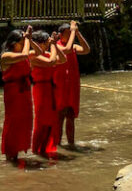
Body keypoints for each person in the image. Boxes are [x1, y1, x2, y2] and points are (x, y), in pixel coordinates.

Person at [0, 27, 34, 165]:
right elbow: (26, 55)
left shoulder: (21, 54)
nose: (23, 45)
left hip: (24, 91)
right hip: (13, 92)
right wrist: (27, 39)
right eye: (21, 42)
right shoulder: (6, 56)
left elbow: (31, 54)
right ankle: (10, 155)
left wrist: (29, 39)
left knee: (25, 122)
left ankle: (16, 155)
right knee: (13, 122)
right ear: (14, 43)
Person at [53, 20, 90, 149]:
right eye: (68, 33)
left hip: (72, 85)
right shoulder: (56, 46)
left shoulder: (73, 46)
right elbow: (67, 50)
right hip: (60, 85)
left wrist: (78, 33)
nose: (70, 36)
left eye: (71, 33)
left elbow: (86, 49)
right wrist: (73, 31)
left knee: (71, 115)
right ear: (61, 34)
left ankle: (71, 144)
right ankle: (57, 144)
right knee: (59, 116)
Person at [30, 29, 64, 158]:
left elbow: (63, 59)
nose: (46, 45)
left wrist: (54, 45)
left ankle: (44, 149)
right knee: (40, 121)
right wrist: (54, 45)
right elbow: (51, 62)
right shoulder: (33, 55)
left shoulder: (48, 54)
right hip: (40, 89)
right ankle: (36, 150)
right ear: (38, 43)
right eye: (45, 43)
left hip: (50, 88)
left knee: (50, 121)